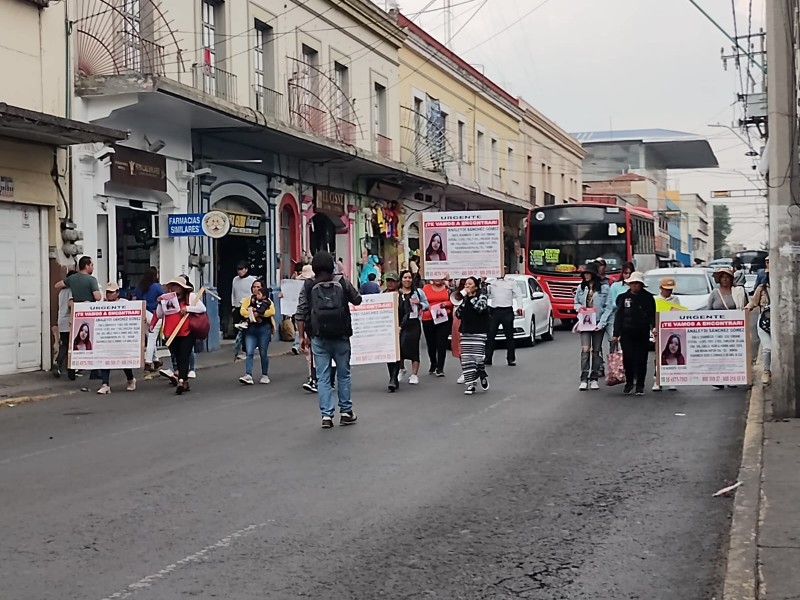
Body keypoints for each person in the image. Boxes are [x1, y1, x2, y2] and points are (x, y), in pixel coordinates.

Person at [296, 251, 362, 429]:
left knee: (323, 377)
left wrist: (302, 336)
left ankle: (326, 415)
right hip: (341, 336)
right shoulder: (341, 282)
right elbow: (357, 300)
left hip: (319, 337)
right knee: (343, 374)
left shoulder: (309, 285)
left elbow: (300, 312)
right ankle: (346, 412)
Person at [150, 275, 206, 394]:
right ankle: (184, 380)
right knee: (177, 356)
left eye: (177, 286)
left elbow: (202, 309)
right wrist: (160, 303)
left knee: (184, 356)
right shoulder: (166, 299)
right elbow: (159, 314)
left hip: (186, 331)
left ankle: (181, 380)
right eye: (173, 286)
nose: (174, 288)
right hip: (171, 333)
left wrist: (188, 309)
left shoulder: (190, 297)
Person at [611, 271, 656, 396]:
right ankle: (629, 382)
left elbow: (652, 315)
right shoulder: (622, 297)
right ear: (629, 284)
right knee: (628, 358)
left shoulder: (648, 298)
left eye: (638, 283)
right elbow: (618, 316)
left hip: (642, 332)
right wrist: (616, 333)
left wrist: (654, 327)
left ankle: (640, 385)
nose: (635, 286)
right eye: (633, 283)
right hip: (626, 333)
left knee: (641, 359)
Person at [389, 270, 429, 390]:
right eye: (405, 277)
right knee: (399, 347)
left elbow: (427, 305)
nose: (407, 280)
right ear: (401, 279)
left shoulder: (418, 292)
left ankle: (414, 374)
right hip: (399, 322)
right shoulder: (396, 293)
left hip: (413, 322)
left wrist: (419, 304)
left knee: (413, 347)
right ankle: (401, 369)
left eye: (409, 277)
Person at [574, 262, 610, 390]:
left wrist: (602, 324)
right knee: (585, 350)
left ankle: (594, 378)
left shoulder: (604, 289)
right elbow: (576, 303)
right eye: (585, 274)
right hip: (585, 323)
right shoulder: (581, 288)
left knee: (596, 351)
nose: (586, 276)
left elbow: (608, 307)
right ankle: (584, 378)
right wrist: (580, 308)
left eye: (588, 274)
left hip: (598, 323)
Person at [96, 282, 136, 394]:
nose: (109, 294)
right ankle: (105, 384)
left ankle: (130, 379)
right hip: (107, 336)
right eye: (107, 292)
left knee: (123, 360)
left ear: (117, 293)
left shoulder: (125, 303)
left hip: (121, 337)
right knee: (104, 359)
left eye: (111, 292)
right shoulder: (102, 305)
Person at [456, 276, 490, 396]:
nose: (467, 286)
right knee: (466, 359)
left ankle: (481, 372)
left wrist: (470, 298)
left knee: (478, 357)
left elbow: (481, 308)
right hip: (466, 331)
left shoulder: (482, 296)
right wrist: (462, 301)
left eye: (470, 284)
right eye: (465, 285)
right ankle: (470, 384)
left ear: (476, 286)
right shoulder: (464, 300)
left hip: (479, 331)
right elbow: (458, 314)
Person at [238, 279, 275, 385]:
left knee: (263, 352)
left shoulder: (267, 301)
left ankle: (265, 374)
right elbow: (243, 310)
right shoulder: (248, 299)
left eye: (258, 287)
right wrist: (250, 314)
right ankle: (248, 374)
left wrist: (259, 314)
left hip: (264, 329)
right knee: (249, 352)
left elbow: (271, 311)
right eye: (254, 287)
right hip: (251, 329)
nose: (255, 289)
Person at [601, 261, 635, 376]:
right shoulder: (616, 286)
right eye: (626, 273)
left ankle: (630, 370)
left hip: (631, 320)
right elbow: (612, 303)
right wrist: (624, 303)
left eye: (630, 273)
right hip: (617, 318)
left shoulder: (635, 286)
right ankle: (615, 369)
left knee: (630, 348)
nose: (628, 275)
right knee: (614, 342)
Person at [485, 273, 523, 367]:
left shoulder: (511, 282)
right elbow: (485, 294)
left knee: (509, 336)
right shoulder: (490, 282)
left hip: (507, 310)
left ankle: (511, 359)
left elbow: (518, 294)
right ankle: (488, 357)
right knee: (490, 335)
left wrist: (519, 307)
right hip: (494, 311)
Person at [133, 266, 166, 372]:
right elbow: (165, 299)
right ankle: (148, 362)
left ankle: (156, 360)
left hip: (143, 313)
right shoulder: (157, 287)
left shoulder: (140, 287)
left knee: (150, 337)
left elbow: (135, 298)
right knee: (152, 339)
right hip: (154, 314)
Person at [652, 276, 681, 392]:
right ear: (661, 288)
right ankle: (657, 379)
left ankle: (671, 379)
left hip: (672, 331)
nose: (669, 291)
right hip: (659, 330)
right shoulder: (655, 299)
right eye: (666, 289)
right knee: (658, 356)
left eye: (670, 289)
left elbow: (679, 314)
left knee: (672, 355)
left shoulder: (675, 299)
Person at [421, 277, 453, 376]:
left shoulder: (448, 288)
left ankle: (440, 367)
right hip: (428, 318)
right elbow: (421, 301)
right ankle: (433, 362)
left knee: (441, 342)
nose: (437, 279)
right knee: (431, 343)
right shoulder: (426, 288)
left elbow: (455, 301)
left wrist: (446, 303)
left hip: (443, 318)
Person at [746, 270, 772, 386]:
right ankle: (766, 371)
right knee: (767, 348)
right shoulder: (762, 289)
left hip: (781, 322)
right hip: (765, 321)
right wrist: (745, 310)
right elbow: (753, 302)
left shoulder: (784, 286)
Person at [53, 270, 76, 379]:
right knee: (71, 346)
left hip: (61, 321)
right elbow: (70, 304)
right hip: (68, 321)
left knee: (64, 344)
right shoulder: (71, 290)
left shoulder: (61, 292)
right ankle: (70, 371)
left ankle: (58, 364)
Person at [232, 261, 257, 359]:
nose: (239, 272)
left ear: (246, 269)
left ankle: (247, 350)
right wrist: (233, 305)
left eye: (241, 269)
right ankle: (241, 348)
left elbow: (255, 293)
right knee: (239, 329)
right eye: (238, 270)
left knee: (248, 329)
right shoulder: (235, 280)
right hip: (238, 306)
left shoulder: (252, 280)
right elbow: (233, 293)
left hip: (248, 307)